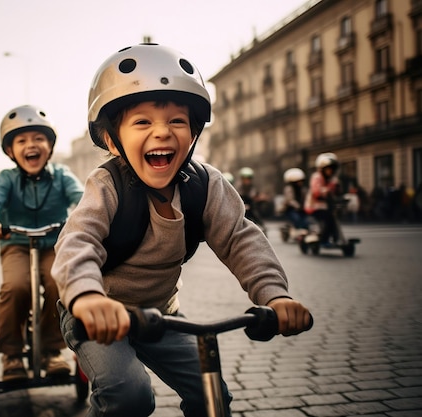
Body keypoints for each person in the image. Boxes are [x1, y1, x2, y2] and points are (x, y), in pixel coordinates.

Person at [51, 43, 312, 417]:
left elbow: (240, 237)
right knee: (129, 396)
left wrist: (275, 296)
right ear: (112, 139)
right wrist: (86, 296)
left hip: (161, 315)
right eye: (142, 122)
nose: (162, 132)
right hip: (97, 316)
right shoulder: (106, 187)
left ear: (193, 134)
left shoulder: (204, 186)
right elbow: (78, 241)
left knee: (211, 394)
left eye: (177, 121)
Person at [0, 104, 84, 382]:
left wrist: (87, 214)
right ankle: (12, 353)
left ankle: (52, 350)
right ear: (11, 151)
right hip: (16, 243)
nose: (31, 145)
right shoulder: (7, 179)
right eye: (21, 141)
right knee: (16, 286)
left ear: (49, 146)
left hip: (53, 244)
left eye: (38, 139)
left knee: (56, 283)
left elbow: (83, 197)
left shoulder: (61, 175)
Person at [304, 152, 342, 245]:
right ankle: (324, 239)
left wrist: (336, 189)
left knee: (333, 219)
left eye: (332, 169)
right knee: (328, 219)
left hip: (326, 206)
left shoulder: (332, 179)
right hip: (314, 206)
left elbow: (337, 192)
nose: (330, 172)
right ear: (323, 169)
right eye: (328, 169)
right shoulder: (317, 177)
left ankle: (336, 238)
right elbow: (316, 192)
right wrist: (328, 190)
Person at [236, 166, 267, 234]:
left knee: (255, 214)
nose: (247, 181)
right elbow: (237, 197)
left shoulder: (253, 188)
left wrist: (260, 198)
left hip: (252, 206)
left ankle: (262, 227)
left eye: (248, 179)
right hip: (242, 205)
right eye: (245, 179)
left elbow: (256, 196)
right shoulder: (238, 188)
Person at [281, 167, 309, 232]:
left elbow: (306, 198)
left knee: (306, 220)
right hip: (290, 209)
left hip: (301, 209)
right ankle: (298, 230)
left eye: (301, 181)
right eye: (298, 181)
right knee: (297, 219)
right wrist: (298, 206)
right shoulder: (288, 189)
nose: (300, 183)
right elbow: (290, 200)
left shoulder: (303, 189)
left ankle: (305, 230)